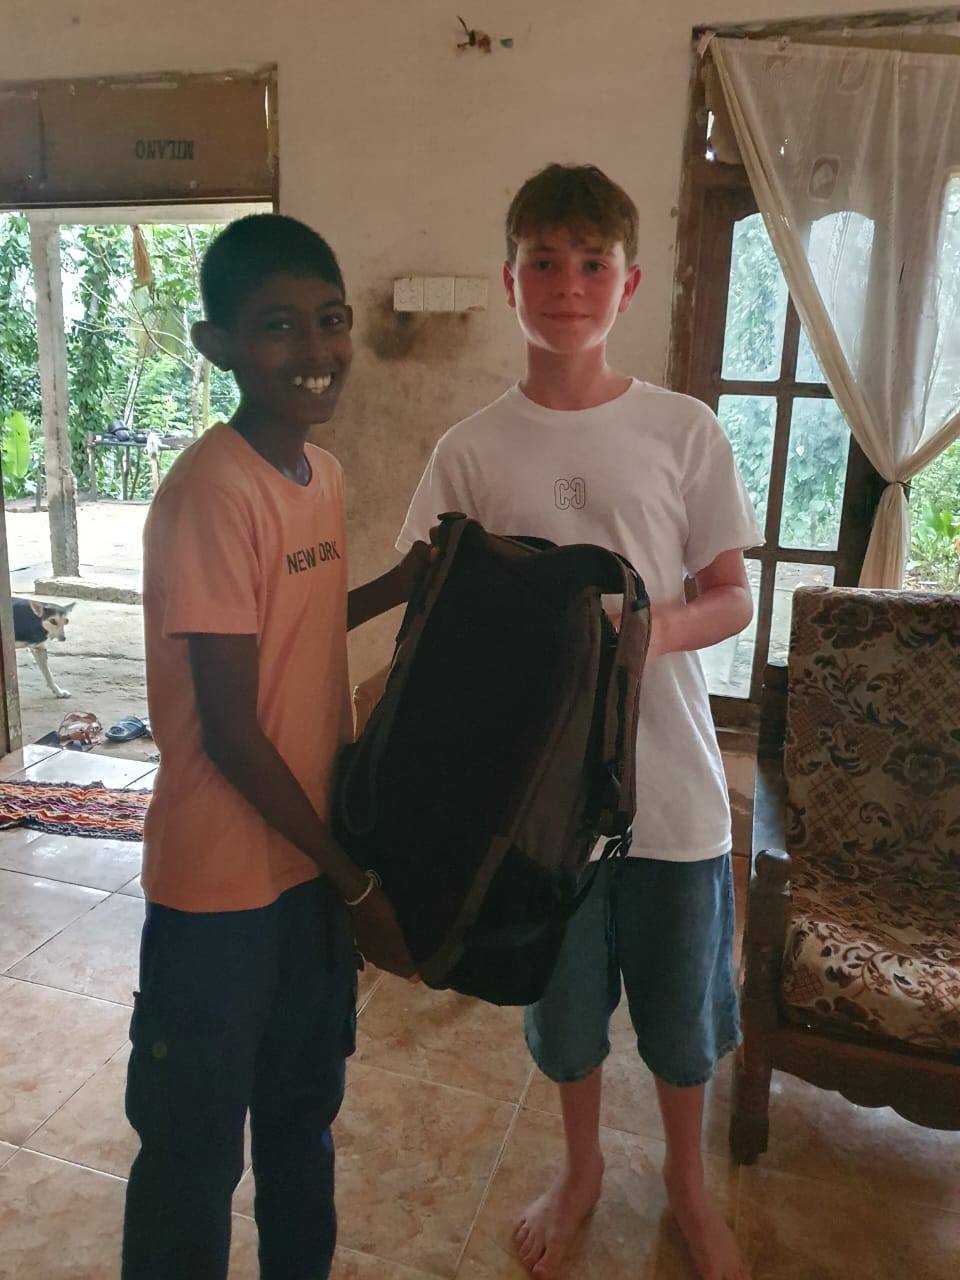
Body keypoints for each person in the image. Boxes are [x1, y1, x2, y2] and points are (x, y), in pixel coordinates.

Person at [398, 165, 761, 1280]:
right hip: (539, 800)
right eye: (544, 262)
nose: (568, 284)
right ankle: (582, 1168)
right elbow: (432, 611)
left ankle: (690, 1186)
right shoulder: (469, 450)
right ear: (511, 280)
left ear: (629, 283)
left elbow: (731, 594)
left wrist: (642, 631)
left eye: (593, 264)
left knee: (682, 1018)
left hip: (674, 791)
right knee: (563, 1013)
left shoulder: (683, 429)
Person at [122, 213, 425, 1280]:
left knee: (303, 1121)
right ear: (217, 345)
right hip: (220, 894)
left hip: (304, 878)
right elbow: (231, 731)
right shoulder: (211, 493)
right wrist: (356, 883)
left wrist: (401, 586)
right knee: (193, 1157)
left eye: (330, 320)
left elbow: (296, 623)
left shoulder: (320, 475)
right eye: (278, 326)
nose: (315, 350)